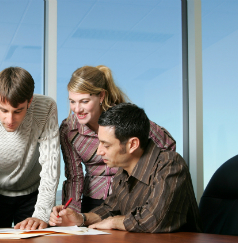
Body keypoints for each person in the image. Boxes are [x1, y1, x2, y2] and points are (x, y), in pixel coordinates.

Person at [50, 103, 202, 233]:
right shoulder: (123, 170)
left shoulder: (169, 164)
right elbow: (110, 208)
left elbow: (153, 219)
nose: (99, 151)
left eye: (106, 145)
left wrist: (114, 222)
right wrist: (81, 218)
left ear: (132, 145)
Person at [60, 65, 176, 213]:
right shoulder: (68, 130)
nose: (77, 109)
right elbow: (74, 177)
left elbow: (167, 146)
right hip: (94, 200)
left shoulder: (124, 117)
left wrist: (147, 184)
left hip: (131, 195)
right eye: (72, 101)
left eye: (84, 101)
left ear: (101, 96)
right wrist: (70, 212)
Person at [0, 67, 60, 230]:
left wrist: (41, 214)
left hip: (34, 193)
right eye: (3, 110)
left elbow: (51, 166)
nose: (10, 119)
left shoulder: (46, 108)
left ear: (30, 101)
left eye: (18, 111)